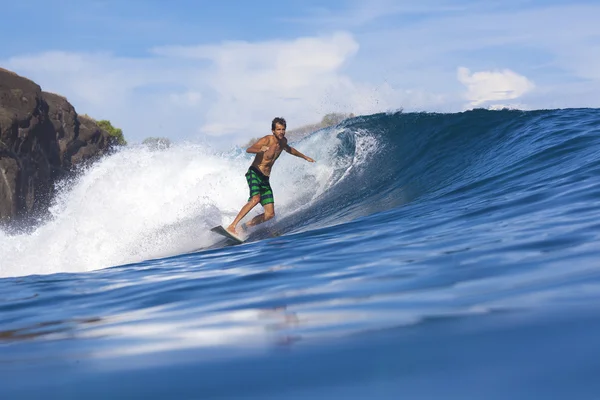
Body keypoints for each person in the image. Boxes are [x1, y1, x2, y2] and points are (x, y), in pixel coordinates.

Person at [227, 117, 315, 237]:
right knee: (255, 199)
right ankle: (232, 226)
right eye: (278, 129)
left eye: (283, 129)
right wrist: (260, 149)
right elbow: (249, 149)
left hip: (265, 179)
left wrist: (305, 157)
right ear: (273, 130)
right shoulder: (266, 140)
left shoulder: (283, 142)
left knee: (270, 214)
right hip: (254, 173)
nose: (281, 132)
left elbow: (290, 149)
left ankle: (244, 227)